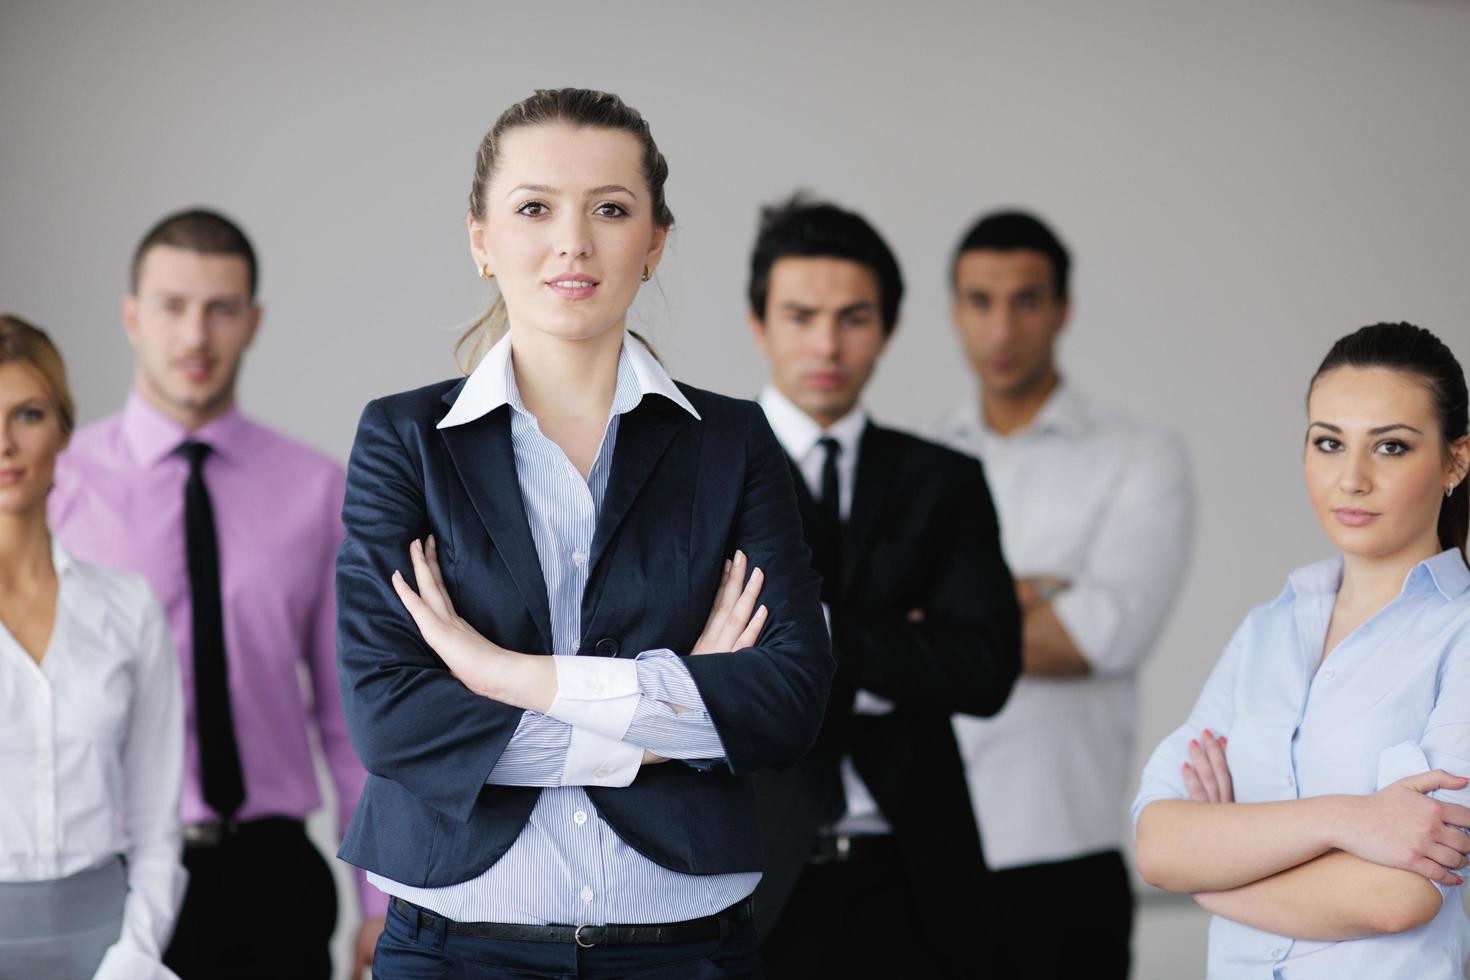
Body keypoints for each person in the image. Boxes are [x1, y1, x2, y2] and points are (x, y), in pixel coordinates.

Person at [335, 88, 832, 978]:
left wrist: (509, 679)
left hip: (686, 954)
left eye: (610, 209)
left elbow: (788, 699)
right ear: (482, 241)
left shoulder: (731, 444)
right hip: (453, 952)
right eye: (534, 209)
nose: (573, 241)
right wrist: (665, 715)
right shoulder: (403, 440)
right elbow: (391, 717)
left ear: (655, 242)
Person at [48, 210, 387, 979]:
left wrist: (379, 904)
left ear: (253, 321)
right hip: (110, 871)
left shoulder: (314, 489)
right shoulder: (58, 487)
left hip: (271, 875)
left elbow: (351, 719)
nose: (195, 336)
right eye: (172, 306)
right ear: (132, 316)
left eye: (221, 309)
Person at [1134, 322, 1470, 979]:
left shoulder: (1462, 636)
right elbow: (1158, 844)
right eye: (1328, 443)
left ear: (1456, 461)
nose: (1351, 479)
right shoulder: (1266, 631)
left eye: (1392, 447)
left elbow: (1398, 896)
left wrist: (1220, 877)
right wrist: (1352, 821)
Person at [741, 195, 1020, 977]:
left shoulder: (943, 480)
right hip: (755, 884)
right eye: (800, 316)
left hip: (919, 880)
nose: (826, 343)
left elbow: (986, 668)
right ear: (759, 323)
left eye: (854, 318)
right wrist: (904, 646)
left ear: (889, 328)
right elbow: (704, 680)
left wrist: (816, 634)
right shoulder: (705, 473)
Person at [928, 209, 1194, 976]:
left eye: (1027, 300)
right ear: (955, 312)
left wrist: (934, 619)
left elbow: (1098, 636)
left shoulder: (1138, 456)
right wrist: (1037, 591)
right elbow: (872, 626)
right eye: (980, 301)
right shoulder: (920, 459)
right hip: (923, 850)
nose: (1002, 326)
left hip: (1063, 853)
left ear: (1064, 309)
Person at [0, 313, 185, 980]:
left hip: (107, 947)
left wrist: (134, 956)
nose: (4, 444)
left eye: (26, 414)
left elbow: (157, 829)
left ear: (63, 430)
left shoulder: (126, 607)